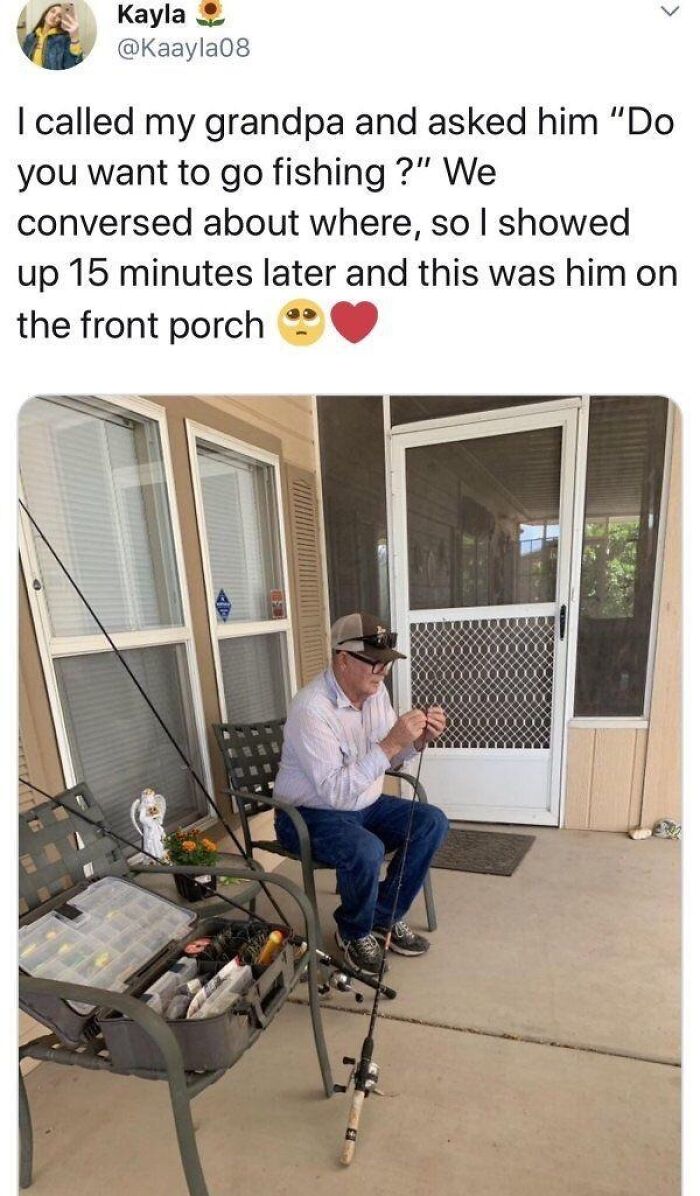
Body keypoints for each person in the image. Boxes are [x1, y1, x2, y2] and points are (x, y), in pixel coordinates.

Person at [273, 611, 449, 976]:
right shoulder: (311, 709)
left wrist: (417, 742)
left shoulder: (375, 693)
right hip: (307, 816)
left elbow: (389, 758)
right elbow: (336, 792)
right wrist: (391, 743)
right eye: (374, 661)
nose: (382, 670)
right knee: (366, 848)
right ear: (343, 660)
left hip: (363, 804)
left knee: (431, 822)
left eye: (387, 662)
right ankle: (353, 932)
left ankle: (382, 917)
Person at [22, 4, 83, 70]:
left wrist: (74, 38)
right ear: (45, 14)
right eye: (52, 11)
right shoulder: (30, 38)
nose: (54, 16)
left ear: (61, 21)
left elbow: (71, 65)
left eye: (59, 16)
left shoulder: (64, 40)